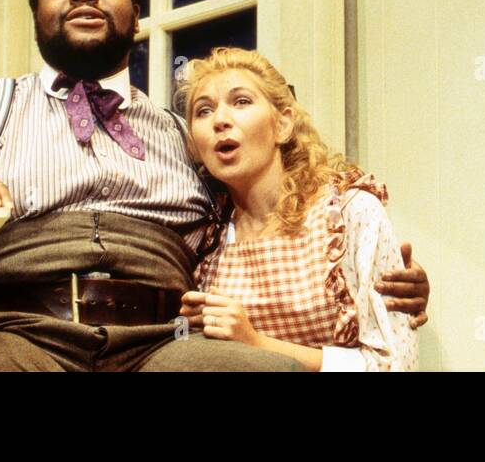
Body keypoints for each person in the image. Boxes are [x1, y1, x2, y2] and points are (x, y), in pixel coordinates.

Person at [0, 0, 430, 371]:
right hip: (13, 333)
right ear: (39, 16)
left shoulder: (184, 130)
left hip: (162, 344)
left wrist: (373, 273)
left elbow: (279, 208)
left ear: (135, 16)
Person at [177, 48, 417, 371]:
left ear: (283, 124)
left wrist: (256, 344)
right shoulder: (205, 241)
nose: (220, 120)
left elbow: (393, 363)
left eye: (241, 102)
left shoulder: (348, 216)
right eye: (203, 111)